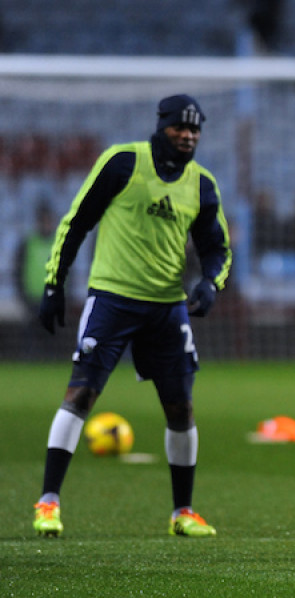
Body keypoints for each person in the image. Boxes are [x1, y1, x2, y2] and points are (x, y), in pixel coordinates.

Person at [32, 94, 232, 539]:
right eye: (180, 127)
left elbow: (217, 248)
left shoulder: (202, 185)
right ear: (161, 125)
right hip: (113, 300)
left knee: (181, 407)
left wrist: (209, 284)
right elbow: (76, 221)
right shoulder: (123, 163)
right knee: (81, 394)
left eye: (195, 130)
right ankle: (48, 501)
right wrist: (54, 283)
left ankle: (184, 511)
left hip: (167, 307)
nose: (188, 135)